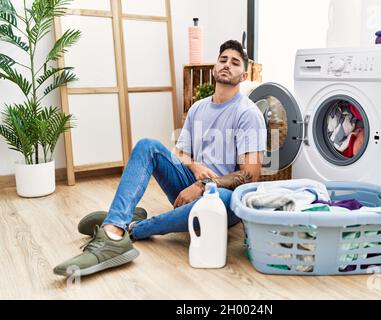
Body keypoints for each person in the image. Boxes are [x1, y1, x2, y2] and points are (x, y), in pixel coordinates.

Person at [53, 40, 267, 277]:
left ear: (244, 75)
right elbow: (182, 153)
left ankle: (129, 226)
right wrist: (194, 166)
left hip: (223, 196)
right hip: (190, 183)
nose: (227, 65)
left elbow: (250, 175)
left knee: (210, 205)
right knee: (148, 146)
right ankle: (114, 230)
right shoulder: (198, 108)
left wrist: (204, 185)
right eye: (223, 60)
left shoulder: (247, 114)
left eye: (235, 62)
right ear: (215, 67)